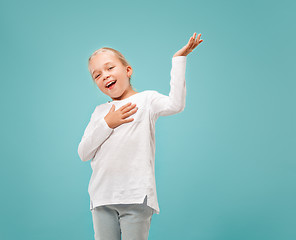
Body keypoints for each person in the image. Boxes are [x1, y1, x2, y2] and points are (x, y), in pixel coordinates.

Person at [78, 33, 203, 240]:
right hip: (102, 197)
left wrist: (179, 59)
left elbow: (176, 104)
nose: (105, 75)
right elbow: (83, 152)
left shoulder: (147, 100)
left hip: (135, 195)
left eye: (110, 68)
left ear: (128, 70)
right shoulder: (100, 112)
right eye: (97, 75)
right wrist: (108, 123)